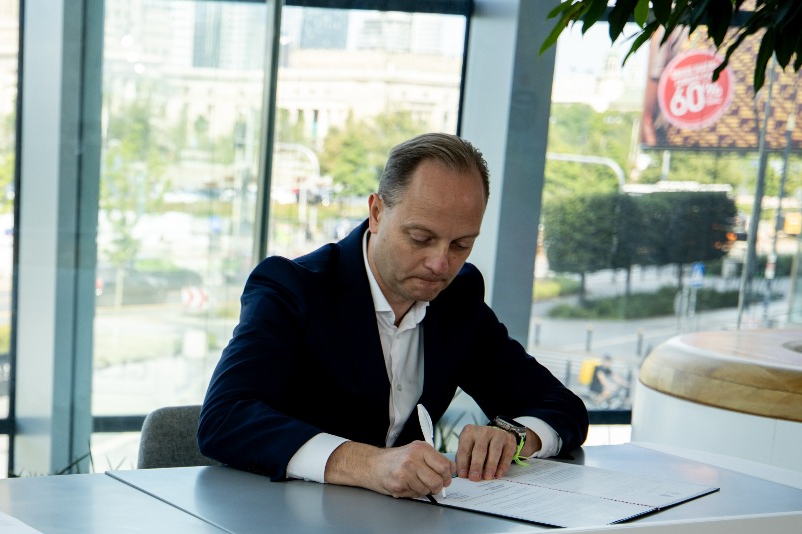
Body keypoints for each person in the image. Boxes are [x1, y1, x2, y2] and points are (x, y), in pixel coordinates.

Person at [197, 133, 587, 499]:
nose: (440, 264)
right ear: (377, 213)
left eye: (461, 244)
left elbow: (560, 404)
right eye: (421, 238)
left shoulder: (457, 297)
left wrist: (515, 437)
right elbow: (225, 418)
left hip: (401, 529)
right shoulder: (294, 288)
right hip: (279, 518)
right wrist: (368, 464)